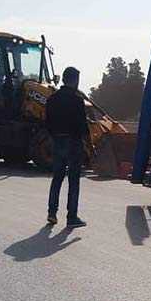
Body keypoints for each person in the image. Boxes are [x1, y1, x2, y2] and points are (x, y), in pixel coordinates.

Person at [46, 67, 89, 228]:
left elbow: (47, 122)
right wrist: (87, 144)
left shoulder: (52, 99)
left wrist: (54, 137)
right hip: (73, 143)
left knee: (57, 178)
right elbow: (82, 125)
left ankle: (52, 213)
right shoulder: (77, 100)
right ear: (75, 80)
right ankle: (72, 217)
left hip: (57, 141)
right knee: (73, 181)